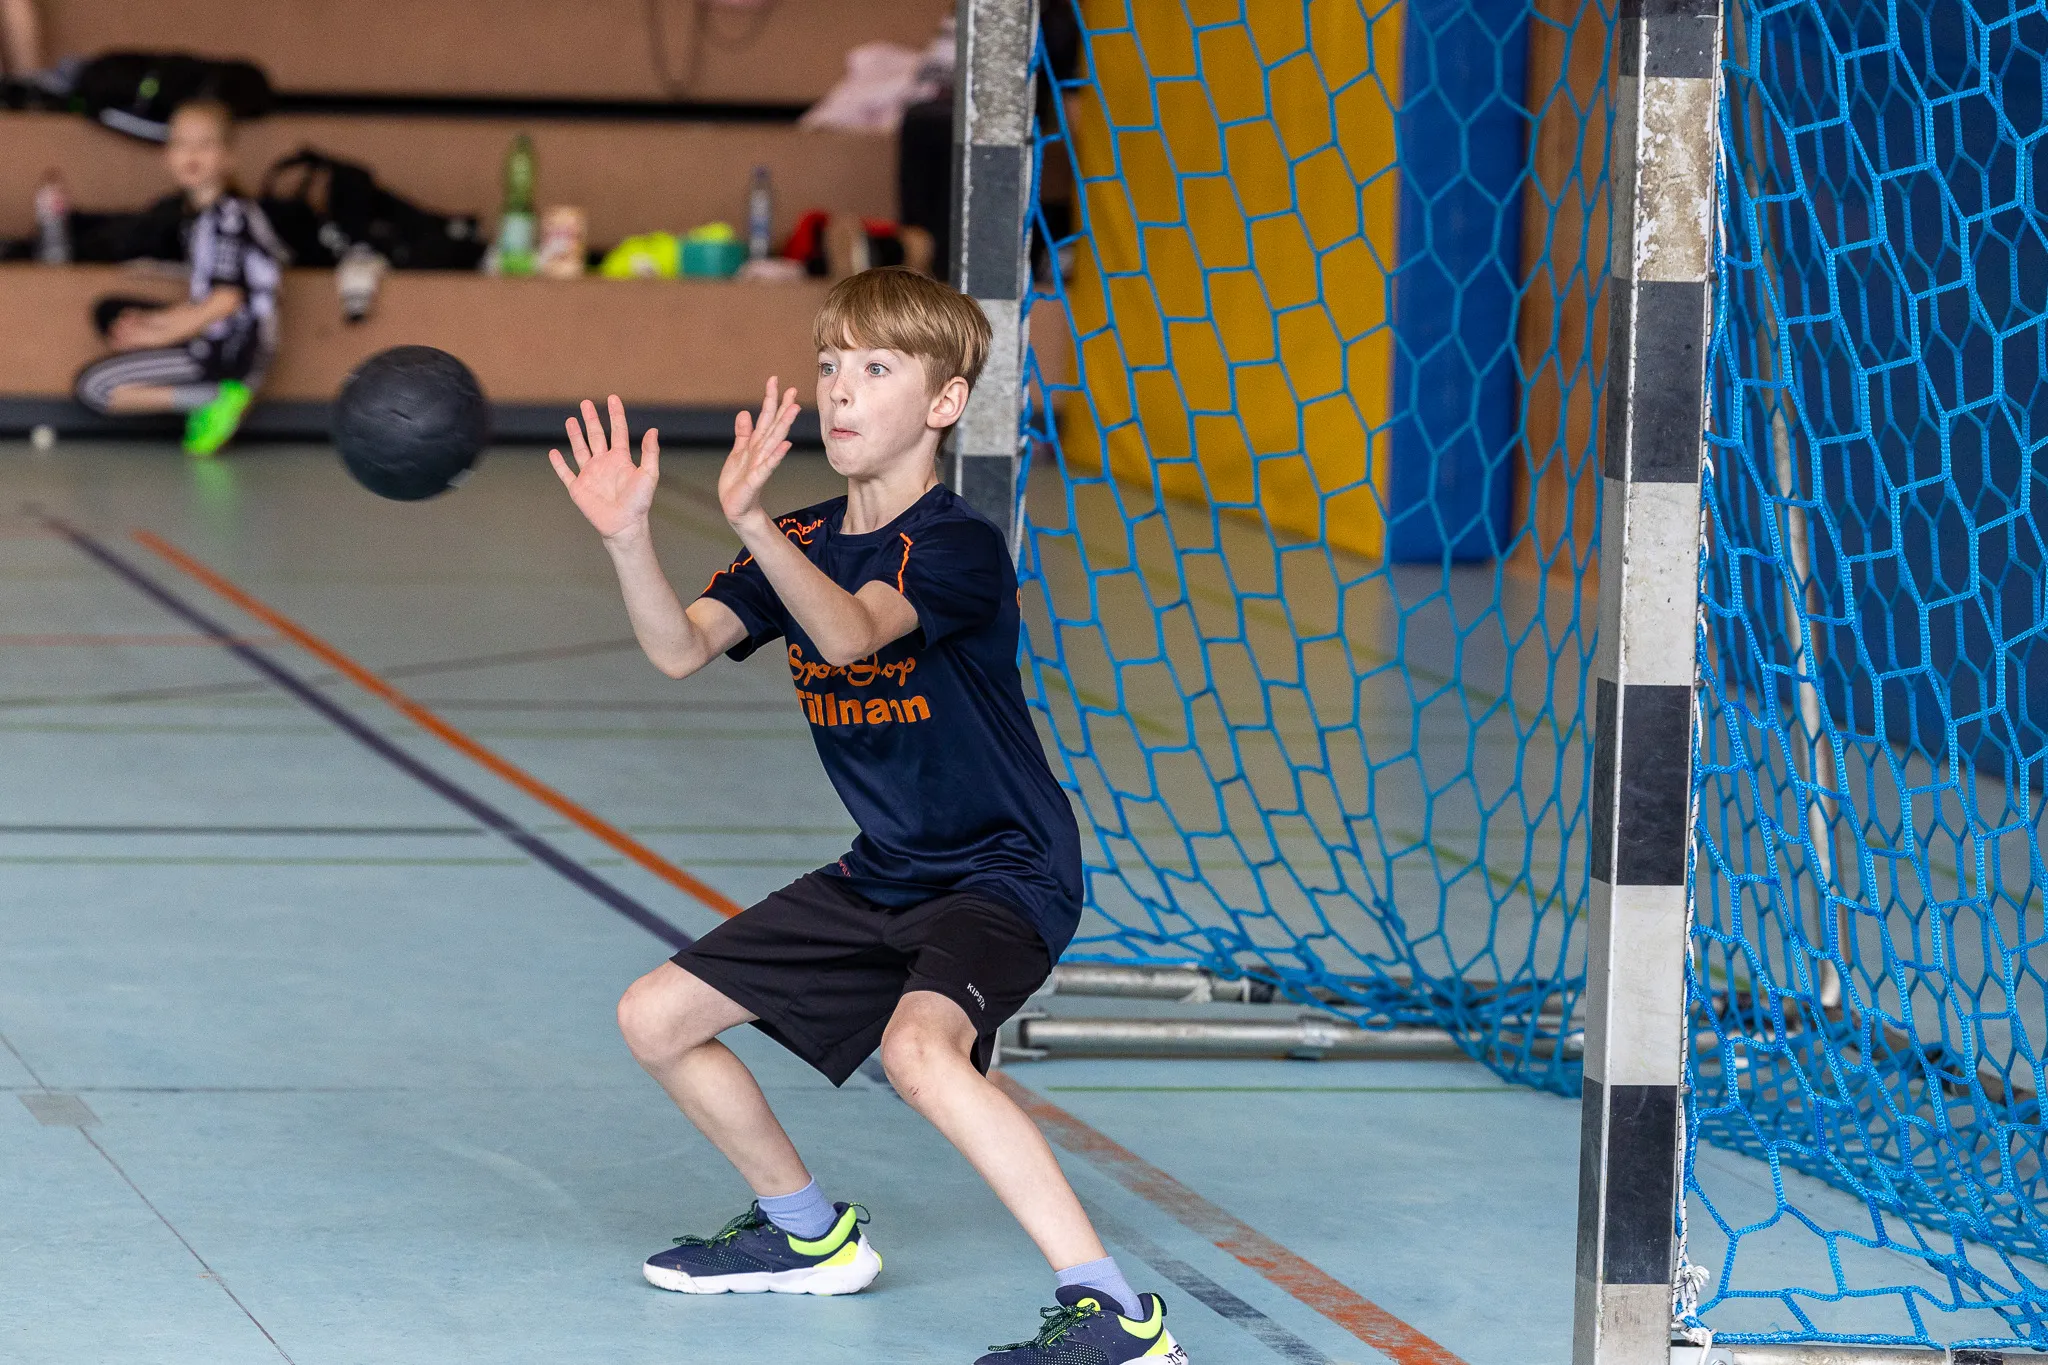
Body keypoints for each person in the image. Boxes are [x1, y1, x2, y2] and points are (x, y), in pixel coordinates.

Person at [549, 266, 1188, 1365]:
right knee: (656, 1016)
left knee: (922, 1054)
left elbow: (848, 635)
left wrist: (752, 524)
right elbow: (679, 648)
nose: (840, 390)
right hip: (886, 869)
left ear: (945, 401)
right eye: (829, 365)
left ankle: (1115, 1318)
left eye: (877, 368)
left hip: (1004, 871)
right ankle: (805, 1234)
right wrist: (626, 536)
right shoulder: (801, 533)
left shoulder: (956, 545)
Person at [72, 97, 284, 456]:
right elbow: (204, 300)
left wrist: (156, 336)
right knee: (112, 312)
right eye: (182, 144)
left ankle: (211, 397)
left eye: (205, 144)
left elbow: (225, 301)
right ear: (168, 155)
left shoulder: (229, 216)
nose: (192, 154)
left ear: (228, 157)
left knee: (94, 386)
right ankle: (210, 395)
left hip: (228, 352)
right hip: (219, 343)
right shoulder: (200, 219)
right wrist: (150, 325)